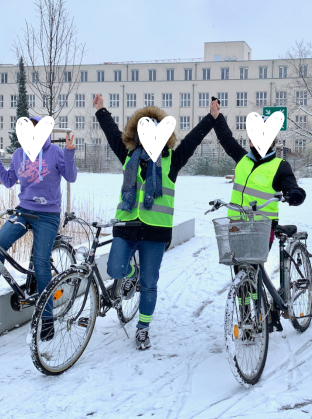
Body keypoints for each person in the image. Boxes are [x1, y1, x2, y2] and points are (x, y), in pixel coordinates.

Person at [93, 93, 218, 349]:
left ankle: (143, 328)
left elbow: (193, 139)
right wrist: (101, 110)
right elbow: (111, 132)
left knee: (150, 284)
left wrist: (211, 118)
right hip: (127, 225)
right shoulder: (128, 157)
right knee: (115, 268)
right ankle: (131, 274)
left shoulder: (172, 160)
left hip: (155, 230)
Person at [211, 101, 306, 332]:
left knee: (252, 265)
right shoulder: (243, 159)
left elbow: (291, 185)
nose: (254, 141)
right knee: (240, 271)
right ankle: (247, 318)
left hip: (263, 228)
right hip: (236, 225)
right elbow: (226, 140)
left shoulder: (279, 166)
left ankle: (264, 312)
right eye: (252, 138)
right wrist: (216, 118)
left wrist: (294, 194)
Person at [0, 116, 77, 341]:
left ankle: (46, 320)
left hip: (48, 215)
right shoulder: (19, 155)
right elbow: (8, 181)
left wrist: (69, 152)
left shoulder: (55, 152)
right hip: (23, 210)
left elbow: (71, 177)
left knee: (41, 263)